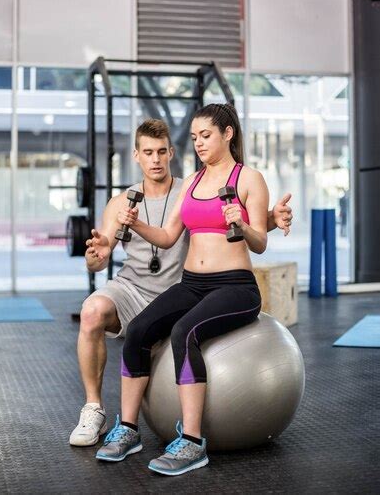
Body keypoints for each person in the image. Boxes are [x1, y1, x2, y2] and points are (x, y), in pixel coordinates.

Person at [70, 116, 293, 448]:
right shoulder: (190, 183)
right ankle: (125, 427)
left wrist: (256, 222)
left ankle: (190, 440)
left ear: (227, 134)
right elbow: (164, 236)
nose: (199, 143)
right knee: (136, 329)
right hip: (180, 285)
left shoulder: (244, 178)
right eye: (195, 137)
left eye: (206, 135)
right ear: (137, 155)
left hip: (227, 284)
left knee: (183, 332)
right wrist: (129, 229)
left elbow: (256, 238)